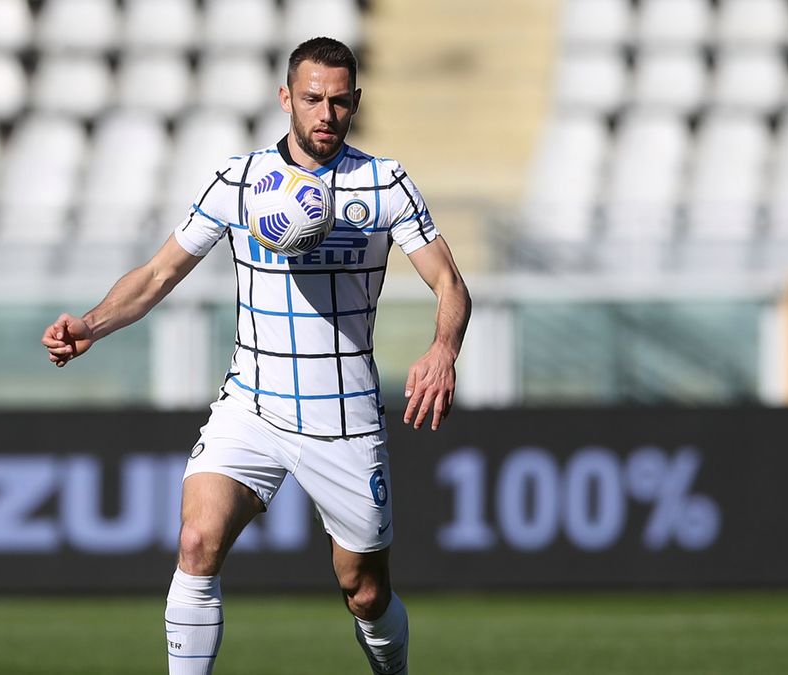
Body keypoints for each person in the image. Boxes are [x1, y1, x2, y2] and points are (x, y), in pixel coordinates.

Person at [41, 37, 471, 675]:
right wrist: (92, 325)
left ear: (356, 102)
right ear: (285, 99)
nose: (325, 114)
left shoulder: (383, 182)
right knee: (197, 541)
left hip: (344, 417)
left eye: (339, 102)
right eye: (312, 99)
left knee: (365, 592)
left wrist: (442, 348)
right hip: (252, 404)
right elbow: (158, 274)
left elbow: (450, 283)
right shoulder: (239, 181)